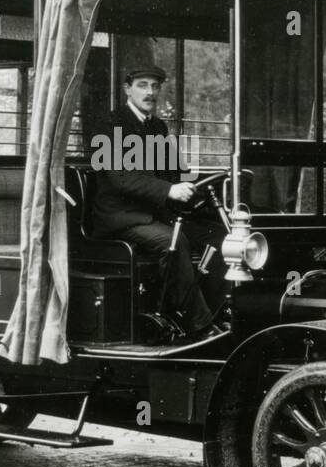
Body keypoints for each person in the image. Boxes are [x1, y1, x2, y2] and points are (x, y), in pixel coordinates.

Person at [90, 65, 228, 340]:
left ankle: (214, 314)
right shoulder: (109, 124)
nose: (150, 92)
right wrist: (169, 190)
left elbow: (174, 171)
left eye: (155, 87)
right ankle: (199, 327)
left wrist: (207, 183)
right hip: (121, 218)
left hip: (155, 214)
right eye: (142, 85)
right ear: (127, 89)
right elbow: (120, 178)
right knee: (172, 243)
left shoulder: (157, 126)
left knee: (220, 236)